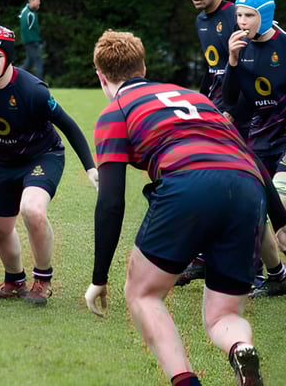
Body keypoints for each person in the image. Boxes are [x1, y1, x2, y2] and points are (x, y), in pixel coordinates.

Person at [86, 29, 265, 386]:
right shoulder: (194, 97)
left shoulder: (115, 111)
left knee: (143, 293)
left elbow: (110, 203)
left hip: (188, 184)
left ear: (101, 76)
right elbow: (249, 157)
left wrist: (99, 279)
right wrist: (281, 219)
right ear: (144, 66)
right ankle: (240, 347)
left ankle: (185, 382)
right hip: (248, 187)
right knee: (223, 314)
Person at [0, 26, 98, 306]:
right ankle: (14, 281)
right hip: (5, 162)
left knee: (32, 210)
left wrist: (90, 167)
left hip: (43, 156)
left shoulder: (32, 90)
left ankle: (42, 281)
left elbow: (68, 125)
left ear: (8, 58)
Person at [182, 0, 286, 291]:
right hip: (246, 125)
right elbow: (228, 82)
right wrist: (206, 101)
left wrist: (231, 113)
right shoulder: (216, 31)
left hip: (254, 126)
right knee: (243, 195)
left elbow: (252, 87)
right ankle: (266, 273)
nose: (241, 21)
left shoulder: (270, 39)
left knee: (261, 197)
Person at [223, 0, 286, 298]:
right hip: (259, 139)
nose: (243, 22)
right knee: (251, 209)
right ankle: (277, 276)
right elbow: (232, 97)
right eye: (239, 16)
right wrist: (232, 59)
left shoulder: (284, 45)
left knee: (282, 205)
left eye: (250, 16)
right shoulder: (238, 46)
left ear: (266, 16)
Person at [18, 0, 43, 79]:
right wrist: (36, 42)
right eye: (37, 0)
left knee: (29, 63)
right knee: (38, 61)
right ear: (31, 0)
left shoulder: (30, 11)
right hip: (31, 42)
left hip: (31, 41)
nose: (39, 3)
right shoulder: (28, 13)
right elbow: (26, 29)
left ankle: (14, 77)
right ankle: (40, 84)